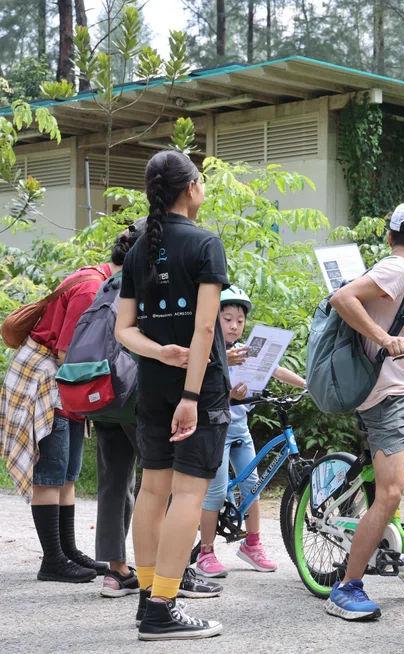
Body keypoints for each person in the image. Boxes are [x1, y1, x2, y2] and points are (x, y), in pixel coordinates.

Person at [115, 150, 229, 641]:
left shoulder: (139, 249)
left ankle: (147, 600)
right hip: (195, 391)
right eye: (200, 179)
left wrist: (161, 353)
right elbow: (206, 326)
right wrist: (191, 393)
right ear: (190, 189)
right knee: (188, 491)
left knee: (153, 489)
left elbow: (124, 330)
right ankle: (163, 606)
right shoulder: (206, 243)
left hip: (154, 387)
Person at [324, 201, 404, 622]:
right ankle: (347, 587)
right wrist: (383, 338)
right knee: (391, 492)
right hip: (383, 397)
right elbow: (343, 297)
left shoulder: (402, 276)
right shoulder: (396, 267)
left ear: (389, 235)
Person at [0, 248, 116, 582]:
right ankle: (52, 560)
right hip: (48, 378)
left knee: (68, 473)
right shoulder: (91, 288)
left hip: (69, 382)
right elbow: (68, 352)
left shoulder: (104, 283)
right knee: (50, 471)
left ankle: (67, 550)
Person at [194, 286, 305, 578]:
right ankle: (206, 552)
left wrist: (307, 385)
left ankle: (252, 544)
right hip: (215, 428)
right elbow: (199, 387)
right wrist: (228, 394)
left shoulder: (246, 349)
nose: (234, 325)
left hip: (240, 426)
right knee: (215, 493)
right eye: (227, 318)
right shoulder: (207, 350)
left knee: (253, 485)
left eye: (239, 321)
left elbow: (277, 370)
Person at [93, 218, 146, 598]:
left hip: (101, 391)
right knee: (163, 479)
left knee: (114, 481)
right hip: (134, 391)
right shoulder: (143, 285)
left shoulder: (105, 286)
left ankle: (116, 572)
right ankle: (158, 566)